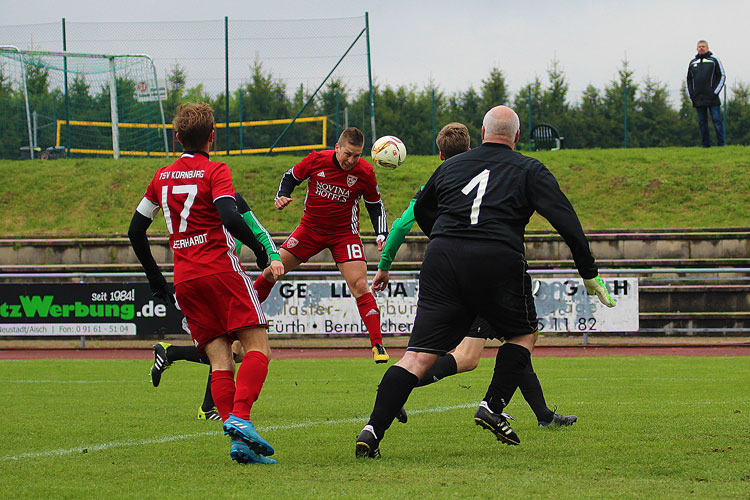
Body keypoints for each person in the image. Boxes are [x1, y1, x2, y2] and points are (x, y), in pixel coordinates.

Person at [356, 105, 615, 458]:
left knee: (416, 356)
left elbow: (423, 210)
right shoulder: (529, 168)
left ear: (481, 132)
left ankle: (372, 430)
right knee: (522, 334)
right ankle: (492, 406)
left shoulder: (449, 166)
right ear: (518, 137)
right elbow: (566, 221)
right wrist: (589, 271)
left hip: (443, 258)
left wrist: (448, 236)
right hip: (497, 257)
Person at [372, 121, 576, 428]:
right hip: (489, 275)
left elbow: (401, 226)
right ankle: (397, 388)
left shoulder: (442, 177)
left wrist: (385, 264)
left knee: (512, 341)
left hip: (450, 269)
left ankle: (543, 415)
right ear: (472, 147)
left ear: (440, 154)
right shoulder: (485, 171)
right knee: (500, 344)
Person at [128, 102, 283, 465]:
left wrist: (156, 278)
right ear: (212, 137)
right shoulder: (216, 170)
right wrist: (263, 250)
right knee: (258, 349)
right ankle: (241, 419)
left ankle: (238, 445)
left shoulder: (161, 177)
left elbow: (136, 231)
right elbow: (229, 214)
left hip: (185, 280)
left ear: (176, 138)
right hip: (220, 271)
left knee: (220, 360)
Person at [253, 127, 390, 363]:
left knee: (359, 284)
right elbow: (290, 177)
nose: (351, 160)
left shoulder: (365, 171)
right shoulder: (316, 159)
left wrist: (381, 233)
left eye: (356, 155)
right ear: (337, 147)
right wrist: (281, 195)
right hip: (310, 230)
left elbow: (375, 204)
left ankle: (377, 344)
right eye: (347, 154)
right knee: (271, 271)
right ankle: (241, 316)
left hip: (344, 234)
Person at [149, 192, 281, 423]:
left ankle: (209, 403)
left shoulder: (230, 199)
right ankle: (220, 410)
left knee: (231, 352)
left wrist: (272, 255)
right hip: (213, 284)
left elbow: (257, 230)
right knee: (234, 350)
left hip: (218, 284)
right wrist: (263, 253)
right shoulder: (195, 202)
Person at [687, 40, 726, 148]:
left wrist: (714, 92)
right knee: (702, 123)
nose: (701, 48)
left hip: (712, 98)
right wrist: (692, 95)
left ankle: (721, 145)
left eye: (703, 46)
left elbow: (722, 76)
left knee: (717, 121)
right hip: (698, 99)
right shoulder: (692, 63)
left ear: (707, 48)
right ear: (696, 49)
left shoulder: (714, 60)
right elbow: (689, 80)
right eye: (699, 46)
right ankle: (706, 145)